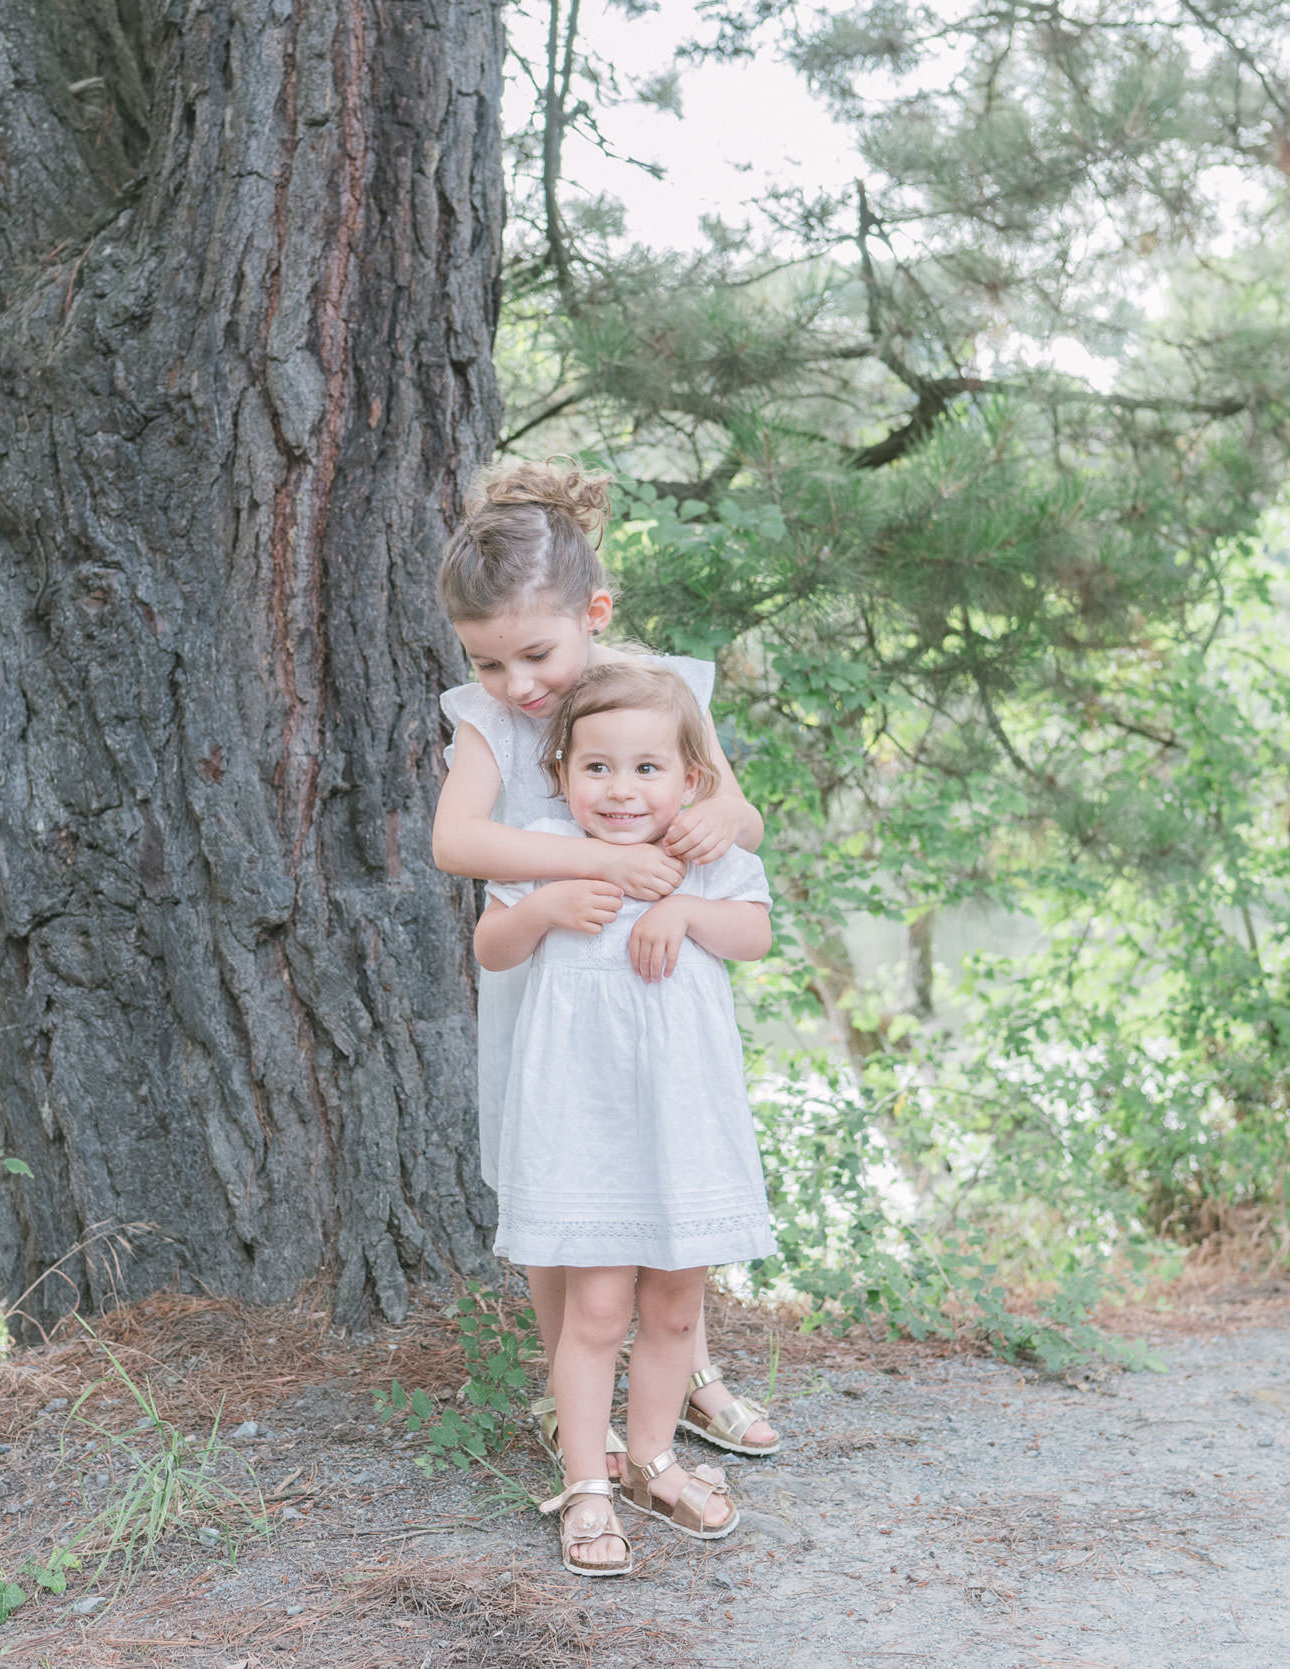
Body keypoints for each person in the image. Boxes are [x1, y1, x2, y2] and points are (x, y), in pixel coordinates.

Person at [430, 459, 781, 1473]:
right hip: (545, 977)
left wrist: (726, 816)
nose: (518, 685)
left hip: (652, 981)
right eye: (488, 663)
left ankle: (693, 1375)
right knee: (563, 1179)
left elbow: (736, 813)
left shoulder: (657, 694)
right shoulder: (489, 723)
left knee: (661, 1168)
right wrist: (594, 860)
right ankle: (566, 1393)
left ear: (593, 611)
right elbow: (459, 844)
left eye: (533, 655)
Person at [472, 660, 778, 1574]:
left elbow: (755, 935)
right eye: (596, 767)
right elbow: (492, 948)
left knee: (677, 1305)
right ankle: (587, 1483)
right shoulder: (544, 847)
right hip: (588, 1119)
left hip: (683, 1118)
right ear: (561, 773)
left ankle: (651, 1460)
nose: (620, 789)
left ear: (691, 778)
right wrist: (548, 911)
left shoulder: (710, 856)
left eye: (647, 768)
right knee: (597, 1307)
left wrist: (683, 910)